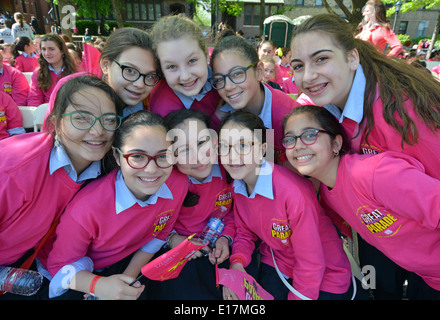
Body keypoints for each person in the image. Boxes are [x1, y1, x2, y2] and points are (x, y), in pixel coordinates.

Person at [290, 13, 440, 299]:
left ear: (352, 59)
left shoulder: (400, 111)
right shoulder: (328, 104)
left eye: (321, 59)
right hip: (395, 247)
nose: (308, 76)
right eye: (298, 66)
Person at [283, 104, 440, 300]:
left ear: (336, 144)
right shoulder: (327, 194)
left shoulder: (374, 175)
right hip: (425, 278)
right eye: (289, 139)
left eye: (309, 135)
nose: (297, 145)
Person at [0, 75, 124, 300]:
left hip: (35, 266)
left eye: (108, 119)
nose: (98, 131)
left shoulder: (107, 170)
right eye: (82, 118)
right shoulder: (15, 170)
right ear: (56, 122)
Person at [47, 110, 188, 300]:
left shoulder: (177, 184)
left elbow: (161, 232)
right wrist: (99, 285)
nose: (152, 169)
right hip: (79, 275)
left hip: (127, 263)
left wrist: (129, 278)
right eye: (137, 156)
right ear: (117, 155)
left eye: (163, 156)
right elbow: (58, 268)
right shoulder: (86, 209)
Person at [219, 111, 352, 300]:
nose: (232, 156)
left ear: (263, 148)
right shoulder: (238, 185)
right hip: (278, 263)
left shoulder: (292, 192)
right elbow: (244, 233)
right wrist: (237, 265)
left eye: (243, 145)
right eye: (224, 147)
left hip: (325, 273)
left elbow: (311, 263)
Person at [146, 109, 235, 300]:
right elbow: (149, 226)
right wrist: (174, 240)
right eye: (184, 150)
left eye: (202, 142)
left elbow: (236, 214)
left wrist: (225, 238)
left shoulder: (229, 167)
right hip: (178, 253)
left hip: (220, 249)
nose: (198, 156)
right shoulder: (167, 182)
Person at [210, 35, 300, 166]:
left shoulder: (290, 116)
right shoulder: (221, 111)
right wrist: (216, 120)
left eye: (237, 73)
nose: (228, 87)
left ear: (259, 71)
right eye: (219, 79)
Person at [149, 14, 221, 129]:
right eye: (172, 67)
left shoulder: (221, 71)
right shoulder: (164, 109)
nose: (185, 76)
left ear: (206, 55)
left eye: (192, 61)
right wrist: (219, 117)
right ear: (161, 69)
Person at [99, 27, 161, 118]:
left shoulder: (148, 108)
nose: (140, 84)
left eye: (150, 76)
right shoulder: (78, 102)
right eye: (130, 70)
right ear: (105, 65)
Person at [27, 33, 77, 107]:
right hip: (47, 113)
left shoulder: (76, 71)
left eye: (52, 49)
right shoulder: (38, 73)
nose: (47, 53)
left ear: (62, 51)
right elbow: (35, 98)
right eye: (43, 49)